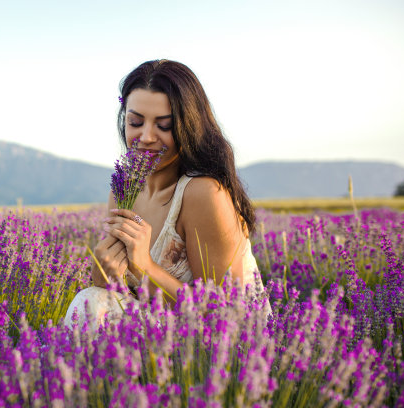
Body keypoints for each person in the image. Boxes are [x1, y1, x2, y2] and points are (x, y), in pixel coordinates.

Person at [64, 59, 268, 330]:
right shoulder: (123, 190)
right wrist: (104, 276)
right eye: (135, 121)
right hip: (163, 331)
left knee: (90, 305)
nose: (146, 136)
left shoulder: (203, 193)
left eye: (164, 126)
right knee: (92, 301)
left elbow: (223, 312)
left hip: (226, 348)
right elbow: (129, 296)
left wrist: (144, 266)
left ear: (189, 126)